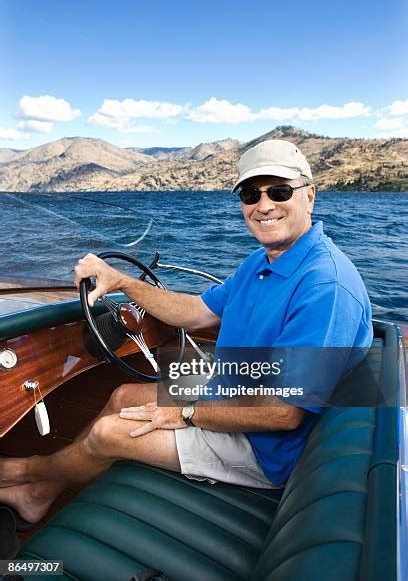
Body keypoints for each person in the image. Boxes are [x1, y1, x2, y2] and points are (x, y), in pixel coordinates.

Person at [0, 139, 372, 523]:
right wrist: (122, 281)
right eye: (250, 194)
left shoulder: (325, 286)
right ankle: (42, 488)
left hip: (266, 448)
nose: (263, 206)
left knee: (108, 434)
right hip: (237, 388)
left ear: (309, 196)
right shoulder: (261, 263)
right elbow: (195, 312)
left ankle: (34, 477)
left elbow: (283, 412)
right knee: (124, 395)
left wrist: (188, 412)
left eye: (279, 191)